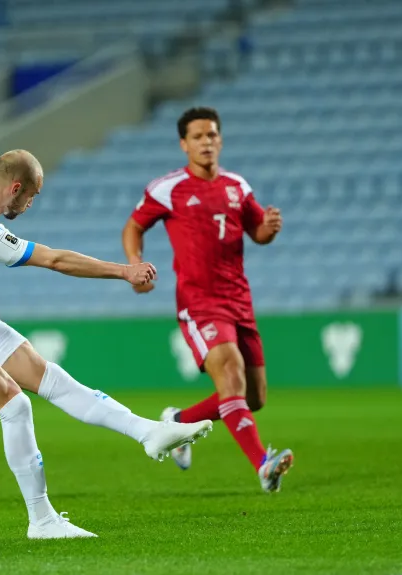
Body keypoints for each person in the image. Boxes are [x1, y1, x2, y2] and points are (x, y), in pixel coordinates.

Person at [0, 150, 214, 538]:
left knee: (51, 378)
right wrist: (124, 271)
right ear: (16, 188)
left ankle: (148, 432)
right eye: (32, 195)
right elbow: (56, 260)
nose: (31, 204)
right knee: (15, 406)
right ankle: (41, 520)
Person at [121, 106, 293, 493]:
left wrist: (269, 228)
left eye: (212, 134)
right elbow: (133, 227)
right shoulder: (168, 188)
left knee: (254, 396)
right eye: (197, 136)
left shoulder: (237, 186)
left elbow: (257, 232)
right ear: (184, 144)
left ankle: (178, 421)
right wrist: (134, 264)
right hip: (199, 302)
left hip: (240, 301)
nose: (206, 142)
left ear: (221, 140)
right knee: (231, 375)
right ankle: (264, 465)